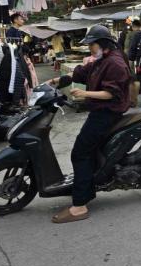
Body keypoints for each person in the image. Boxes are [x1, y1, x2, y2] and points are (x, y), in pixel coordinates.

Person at [50, 25, 131, 224]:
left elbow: (111, 94)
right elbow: (82, 73)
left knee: (80, 153)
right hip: (99, 111)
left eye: (91, 45)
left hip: (107, 114)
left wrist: (85, 93)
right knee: (89, 151)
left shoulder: (115, 63)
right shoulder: (102, 59)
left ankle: (79, 206)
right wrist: (58, 80)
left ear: (102, 44)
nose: (89, 48)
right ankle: (89, 184)